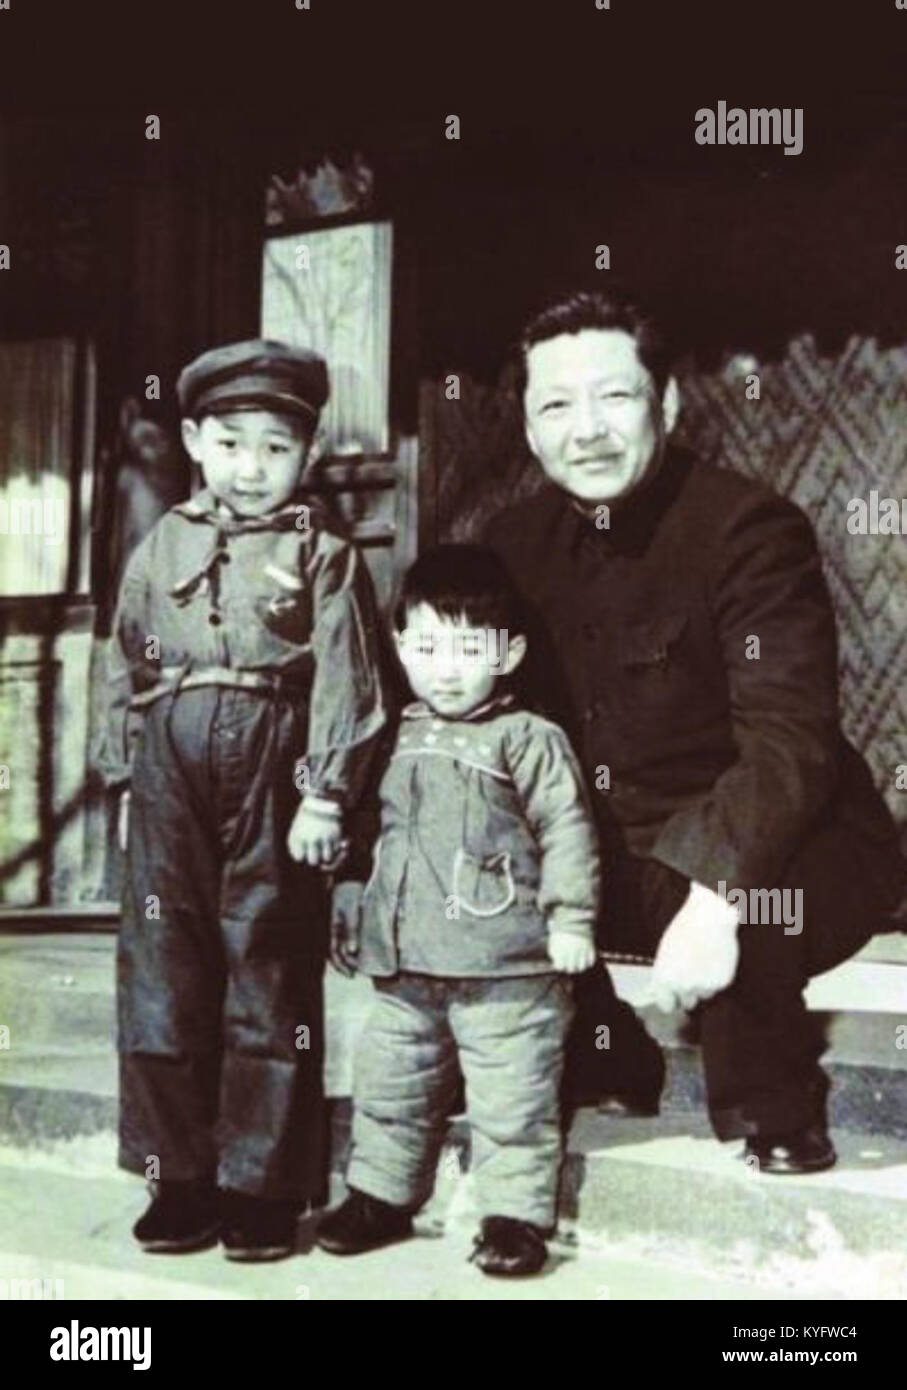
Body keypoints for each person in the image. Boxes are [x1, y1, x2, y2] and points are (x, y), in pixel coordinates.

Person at [482, 289, 907, 1174]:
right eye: (556, 405)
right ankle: (604, 1051)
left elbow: (790, 742)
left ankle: (776, 1103)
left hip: (788, 834)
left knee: (752, 893)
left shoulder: (746, 528)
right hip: (612, 843)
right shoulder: (511, 545)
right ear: (528, 430)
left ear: (665, 405)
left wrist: (714, 896)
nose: (587, 429)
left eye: (614, 397)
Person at [98, 339, 387, 1260]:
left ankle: (262, 1187)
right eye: (230, 442)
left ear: (306, 456)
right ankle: (174, 1178)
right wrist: (119, 779)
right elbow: (123, 660)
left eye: (275, 446)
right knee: (162, 969)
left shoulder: (328, 555)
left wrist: (326, 794)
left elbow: (348, 682)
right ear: (193, 441)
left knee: (266, 969)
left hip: (275, 765)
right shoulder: (160, 543)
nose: (250, 466)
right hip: (167, 771)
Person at [318, 545, 600, 1275]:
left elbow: (568, 829)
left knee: (512, 1100)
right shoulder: (394, 735)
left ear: (506, 652)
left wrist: (570, 918)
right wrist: (352, 896)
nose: (446, 667)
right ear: (402, 645)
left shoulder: (528, 739)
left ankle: (513, 1219)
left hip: (506, 969)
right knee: (388, 1085)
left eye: (468, 648)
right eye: (428, 646)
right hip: (406, 966)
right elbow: (370, 829)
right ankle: (379, 1196)